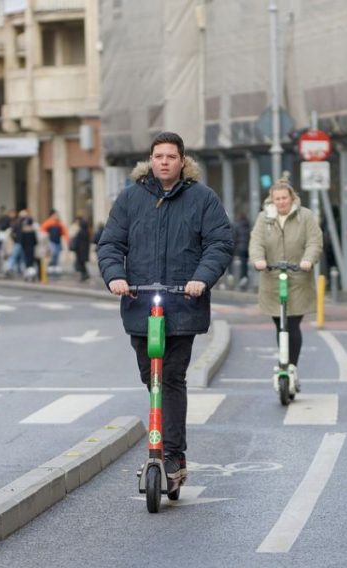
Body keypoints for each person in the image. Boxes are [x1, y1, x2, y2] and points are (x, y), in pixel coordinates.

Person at [97, 131, 233, 490]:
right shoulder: (130, 199)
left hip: (183, 304)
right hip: (140, 303)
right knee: (150, 377)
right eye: (158, 156)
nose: (164, 162)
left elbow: (219, 243)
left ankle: (172, 454)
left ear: (182, 161)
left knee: (171, 378)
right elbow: (110, 243)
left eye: (171, 156)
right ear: (150, 159)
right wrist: (115, 277)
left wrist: (201, 279)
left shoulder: (202, 199)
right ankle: (166, 448)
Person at [249, 178, 323, 393]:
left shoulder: (305, 216)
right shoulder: (265, 218)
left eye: (284, 198)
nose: (281, 202)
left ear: (292, 197)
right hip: (272, 278)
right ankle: (284, 363)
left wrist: (308, 260)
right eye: (277, 198)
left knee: (291, 325)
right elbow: (256, 242)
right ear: (272, 199)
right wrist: (258, 260)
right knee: (279, 324)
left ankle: (291, 367)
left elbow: (314, 241)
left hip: (298, 278)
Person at [40, 209, 70, 275]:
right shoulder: (48, 222)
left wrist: (67, 239)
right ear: (52, 215)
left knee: (57, 254)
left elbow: (65, 232)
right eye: (55, 215)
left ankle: (55, 266)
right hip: (51, 242)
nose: (57, 216)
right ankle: (51, 266)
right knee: (52, 254)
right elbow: (42, 231)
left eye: (57, 215)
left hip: (58, 242)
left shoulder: (59, 223)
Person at [70, 215, 92, 282]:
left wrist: (73, 247)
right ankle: (85, 275)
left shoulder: (80, 232)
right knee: (82, 264)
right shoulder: (87, 232)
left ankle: (84, 275)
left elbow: (77, 242)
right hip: (84, 251)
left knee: (80, 264)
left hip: (80, 251)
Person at [233, 211, 251, 289]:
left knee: (242, 263)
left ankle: (242, 278)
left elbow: (235, 237)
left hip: (240, 247)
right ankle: (245, 277)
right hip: (247, 247)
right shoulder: (248, 225)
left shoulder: (237, 226)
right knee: (245, 263)